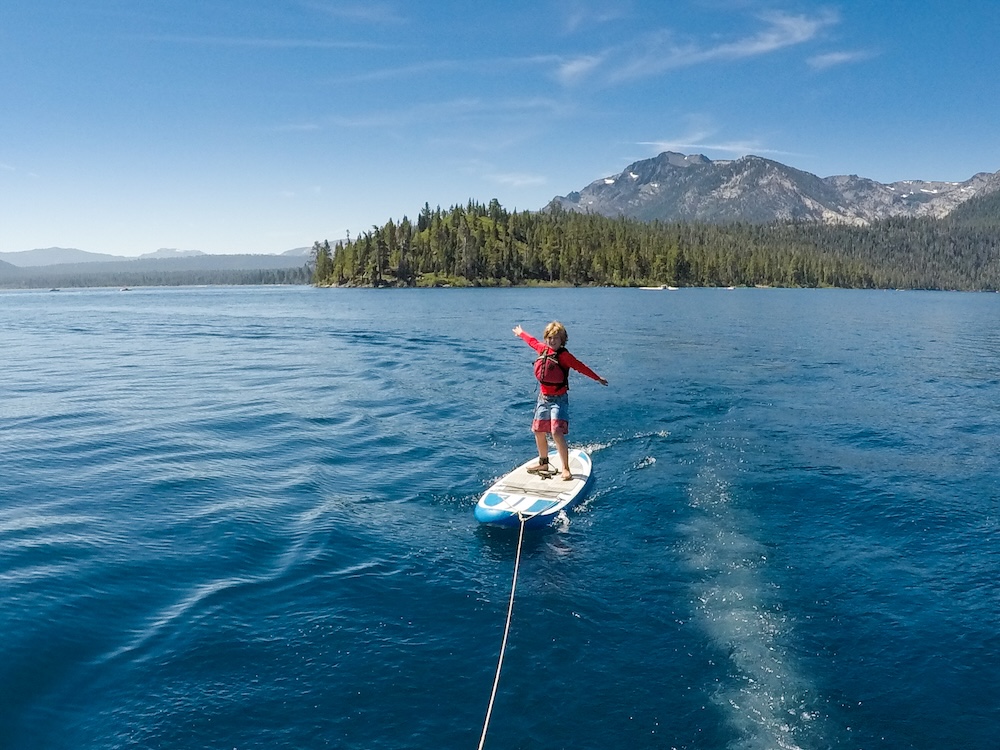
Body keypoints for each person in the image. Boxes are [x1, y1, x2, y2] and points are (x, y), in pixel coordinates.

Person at [512, 321, 608, 480]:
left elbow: (580, 366)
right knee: (538, 430)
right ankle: (543, 462)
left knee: (556, 431)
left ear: (562, 340)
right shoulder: (542, 349)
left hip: (559, 400)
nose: (552, 341)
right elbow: (532, 341)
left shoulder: (564, 356)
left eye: (556, 338)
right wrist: (521, 333)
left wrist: (597, 378)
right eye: (549, 338)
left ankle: (565, 468)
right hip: (543, 399)